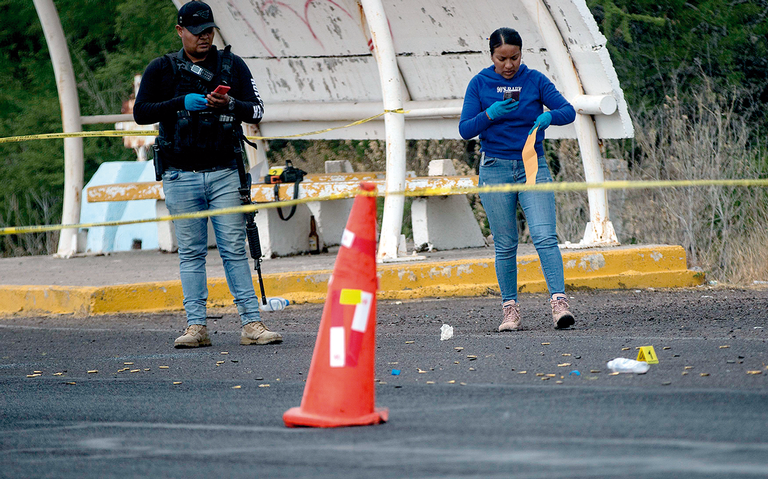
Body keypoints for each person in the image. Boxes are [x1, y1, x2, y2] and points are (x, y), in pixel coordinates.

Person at [134, 1, 282, 348]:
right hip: (179, 173)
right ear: (180, 31)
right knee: (191, 252)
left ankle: (251, 323)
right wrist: (180, 102)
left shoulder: (232, 65)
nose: (205, 37)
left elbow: (257, 110)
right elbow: (141, 113)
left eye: (209, 30)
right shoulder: (162, 69)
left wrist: (229, 104)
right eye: (198, 31)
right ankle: (196, 327)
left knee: (233, 248)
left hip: (224, 173)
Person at [459, 27, 576, 332]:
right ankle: (510, 309)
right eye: (502, 59)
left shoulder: (535, 79)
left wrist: (550, 116)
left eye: (514, 57)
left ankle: (559, 303)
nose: (508, 65)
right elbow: (465, 128)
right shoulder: (480, 83)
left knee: (544, 235)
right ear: (491, 57)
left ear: (522, 55)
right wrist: (491, 114)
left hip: (532, 165)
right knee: (506, 243)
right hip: (495, 167)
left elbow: (568, 111)